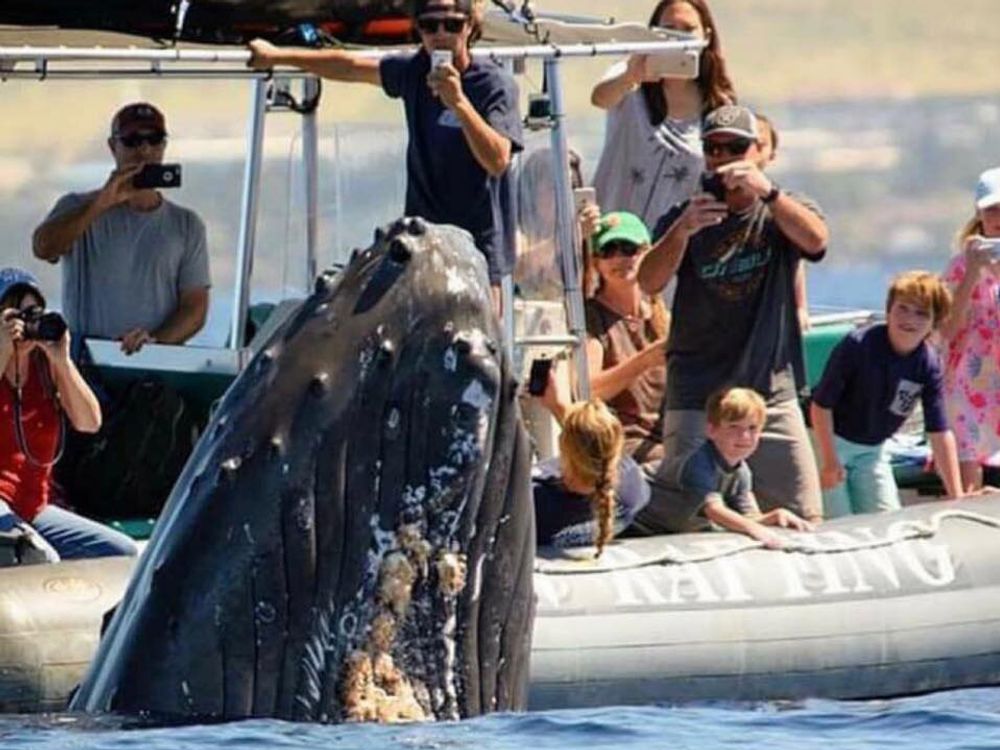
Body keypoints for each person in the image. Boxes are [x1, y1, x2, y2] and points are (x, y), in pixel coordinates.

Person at [248, 0, 523, 309]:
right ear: (418, 29)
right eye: (430, 25)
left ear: (470, 26)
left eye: (452, 25)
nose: (440, 34)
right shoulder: (414, 70)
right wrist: (277, 55)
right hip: (423, 243)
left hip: (478, 248)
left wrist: (458, 103)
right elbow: (349, 66)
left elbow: (498, 160)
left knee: (474, 346)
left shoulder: (493, 84)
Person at [637, 104, 828, 527]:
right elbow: (648, 282)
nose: (723, 158)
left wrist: (769, 194)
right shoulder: (683, 215)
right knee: (697, 516)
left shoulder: (781, 208)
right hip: (699, 394)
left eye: (735, 147)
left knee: (804, 514)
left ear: (758, 151)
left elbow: (816, 242)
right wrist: (682, 232)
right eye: (714, 149)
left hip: (769, 391)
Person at [32, 102, 210, 355]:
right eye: (132, 141)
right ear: (112, 146)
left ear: (164, 145)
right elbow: (43, 247)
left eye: (154, 139)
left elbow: (195, 307)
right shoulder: (77, 207)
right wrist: (101, 204)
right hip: (87, 361)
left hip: (152, 370)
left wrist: (153, 344)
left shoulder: (187, 225)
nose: (145, 150)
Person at [0, 268, 137, 560]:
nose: (24, 326)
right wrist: (2, 350)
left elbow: (90, 423)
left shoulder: (44, 369)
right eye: (15, 316)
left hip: (32, 506)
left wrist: (61, 360)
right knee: (42, 559)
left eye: (31, 315)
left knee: (120, 553)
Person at [810, 271, 964, 517]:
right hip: (828, 439)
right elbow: (820, 407)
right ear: (889, 309)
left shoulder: (928, 363)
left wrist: (957, 497)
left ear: (935, 322)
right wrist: (829, 461)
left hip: (873, 449)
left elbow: (939, 431)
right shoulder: (858, 345)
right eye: (903, 308)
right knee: (839, 521)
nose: (909, 319)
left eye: (922, 313)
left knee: (887, 520)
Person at [590, 0, 736, 229]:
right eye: (669, 29)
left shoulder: (718, 106)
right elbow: (600, 98)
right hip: (612, 241)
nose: (678, 38)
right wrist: (631, 75)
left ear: (706, 36)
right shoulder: (631, 79)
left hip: (671, 249)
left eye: (688, 30)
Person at [641, 386, 813, 548]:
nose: (744, 436)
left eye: (752, 428)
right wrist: (756, 530)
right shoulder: (698, 462)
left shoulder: (741, 471)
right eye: (733, 427)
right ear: (711, 430)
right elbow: (713, 510)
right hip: (636, 514)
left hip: (661, 526)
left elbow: (749, 517)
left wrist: (775, 516)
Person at [532, 367, 649, 556]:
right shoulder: (632, 489)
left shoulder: (533, 501)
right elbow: (596, 447)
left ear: (563, 446)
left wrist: (559, 407)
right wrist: (560, 409)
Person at [584, 211, 669, 464]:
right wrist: (645, 360)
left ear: (648, 253)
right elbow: (590, 389)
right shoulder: (592, 317)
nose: (620, 258)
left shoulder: (663, 316)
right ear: (596, 262)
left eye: (629, 248)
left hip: (671, 436)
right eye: (608, 250)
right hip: (624, 442)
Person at [938, 167, 1000, 493]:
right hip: (968, 381)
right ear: (979, 214)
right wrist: (974, 271)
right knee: (969, 465)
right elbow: (946, 329)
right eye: (992, 209)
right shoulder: (961, 265)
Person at [756, 112, 810, 334]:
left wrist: (800, 307)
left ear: (772, 155)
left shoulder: (782, 205)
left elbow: (796, 257)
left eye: (761, 145)